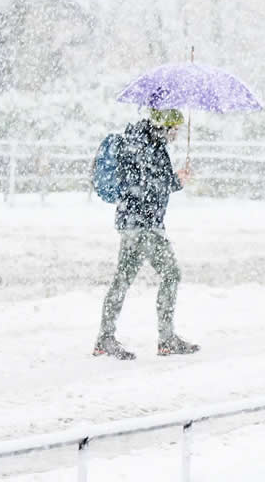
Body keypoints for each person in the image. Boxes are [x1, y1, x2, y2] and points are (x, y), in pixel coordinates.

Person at [93, 108, 201, 360]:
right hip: (144, 225)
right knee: (171, 273)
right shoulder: (145, 145)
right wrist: (176, 180)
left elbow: (149, 182)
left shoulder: (143, 141)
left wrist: (174, 180)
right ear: (164, 126)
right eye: (174, 129)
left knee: (122, 280)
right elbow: (147, 186)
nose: (176, 134)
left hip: (133, 222)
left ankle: (104, 338)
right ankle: (166, 339)